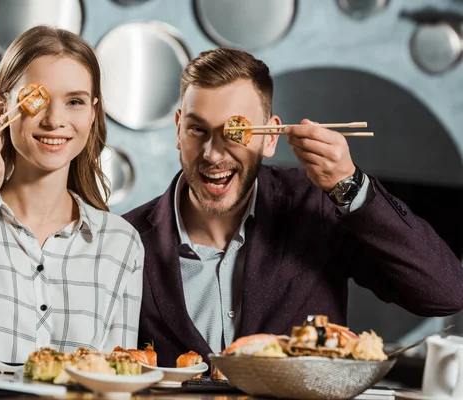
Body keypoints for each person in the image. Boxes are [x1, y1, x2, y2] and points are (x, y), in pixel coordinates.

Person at [122, 47, 463, 367]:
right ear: (179, 129)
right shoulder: (127, 240)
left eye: (234, 132)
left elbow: (445, 293)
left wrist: (350, 185)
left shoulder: (315, 207)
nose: (213, 154)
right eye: (198, 129)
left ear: (270, 137)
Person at [0, 26, 144, 362]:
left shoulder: (121, 244)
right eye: (37, 100)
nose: (54, 120)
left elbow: (114, 376)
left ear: (93, 112)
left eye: (74, 101)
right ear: (2, 105)